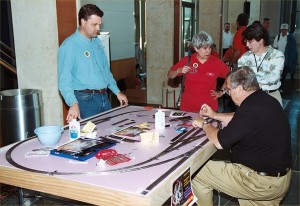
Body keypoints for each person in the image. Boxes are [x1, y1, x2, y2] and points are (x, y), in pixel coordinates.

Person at [192, 66, 292, 206]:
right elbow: (241, 118)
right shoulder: (264, 100)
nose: (228, 94)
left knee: (196, 172)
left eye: (228, 90)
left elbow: (219, 141)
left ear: (239, 88)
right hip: (279, 180)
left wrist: (204, 124)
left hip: (258, 182)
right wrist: (215, 115)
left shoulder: (250, 109)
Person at [58, 4, 128, 122]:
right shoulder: (69, 46)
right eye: (94, 24)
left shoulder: (97, 42)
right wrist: (73, 103)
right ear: (83, 22)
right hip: (85, 101)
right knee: (90, 139)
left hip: (104, 98)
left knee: (110, 134)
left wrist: (117, 92)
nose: (98, 28)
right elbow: (64, 81)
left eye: (99, 24)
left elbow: (105, 71)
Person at [167, 31, 229, 112]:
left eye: (210, 48)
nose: (208, 51)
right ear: (196, 48)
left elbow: (231, 76)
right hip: (188, 107)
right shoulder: (187, 60)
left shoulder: (216, 63)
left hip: (209, 108)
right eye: (205, 48)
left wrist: (221, 92)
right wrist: (179, 70)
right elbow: (170, 75)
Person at [238, 23, 285, 106]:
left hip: (272, 96)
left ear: (261, 40)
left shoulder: (277, 55)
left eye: (250, 41)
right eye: (246, 41)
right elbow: (242, 79)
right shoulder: (245, 57)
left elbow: (273, 78)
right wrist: (263, 75)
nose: (247, 45)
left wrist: (251, 78)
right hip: (249, 96)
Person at [273, 23, 298, 91]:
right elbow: (275, 48)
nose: (284, 31)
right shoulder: (278, 37)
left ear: (287, 30)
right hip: (279, 59)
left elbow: (293, 49)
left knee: (283, 74)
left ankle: (281, 87)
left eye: (285, 30)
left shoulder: (290, 38)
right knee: (278, 74)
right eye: (283, 30)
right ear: (281, 30)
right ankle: (278, 87)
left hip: (286, 59)